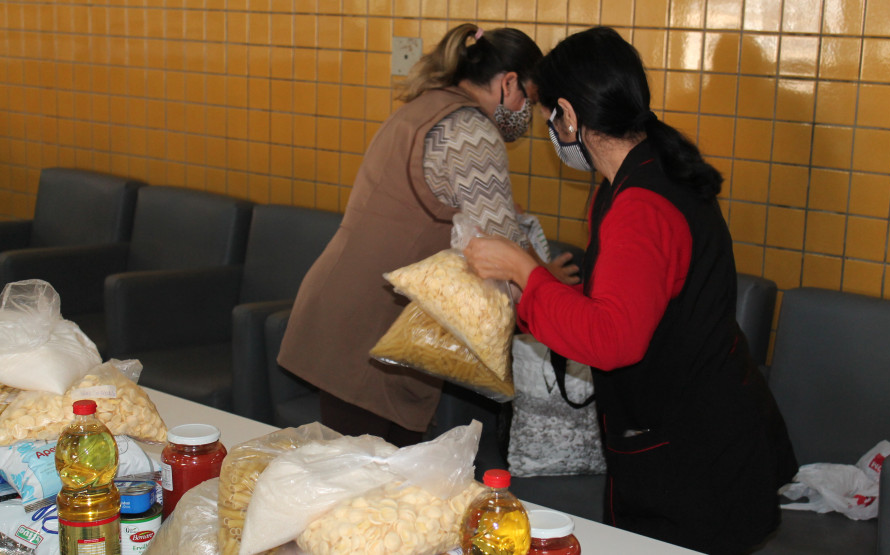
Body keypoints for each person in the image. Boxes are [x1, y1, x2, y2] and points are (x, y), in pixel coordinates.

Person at [463, 27, 798, 554]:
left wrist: (525, 272)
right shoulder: (644, 170)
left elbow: (613, 338)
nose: (550, 128)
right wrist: (538, 291)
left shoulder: (642, 207)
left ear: (571, 116)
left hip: (694, 460)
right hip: (697, 433)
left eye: (551, 115)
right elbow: (616, 305)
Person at [277, 24, 557, 447]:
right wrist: (550, 287)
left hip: (347, 312)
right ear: (508, 82)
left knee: (361, 482)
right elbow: (503, 246)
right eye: (527, 100)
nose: (526, 113)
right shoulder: (472, 131)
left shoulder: (426, 107)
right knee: (369, 490)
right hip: (374, 333)